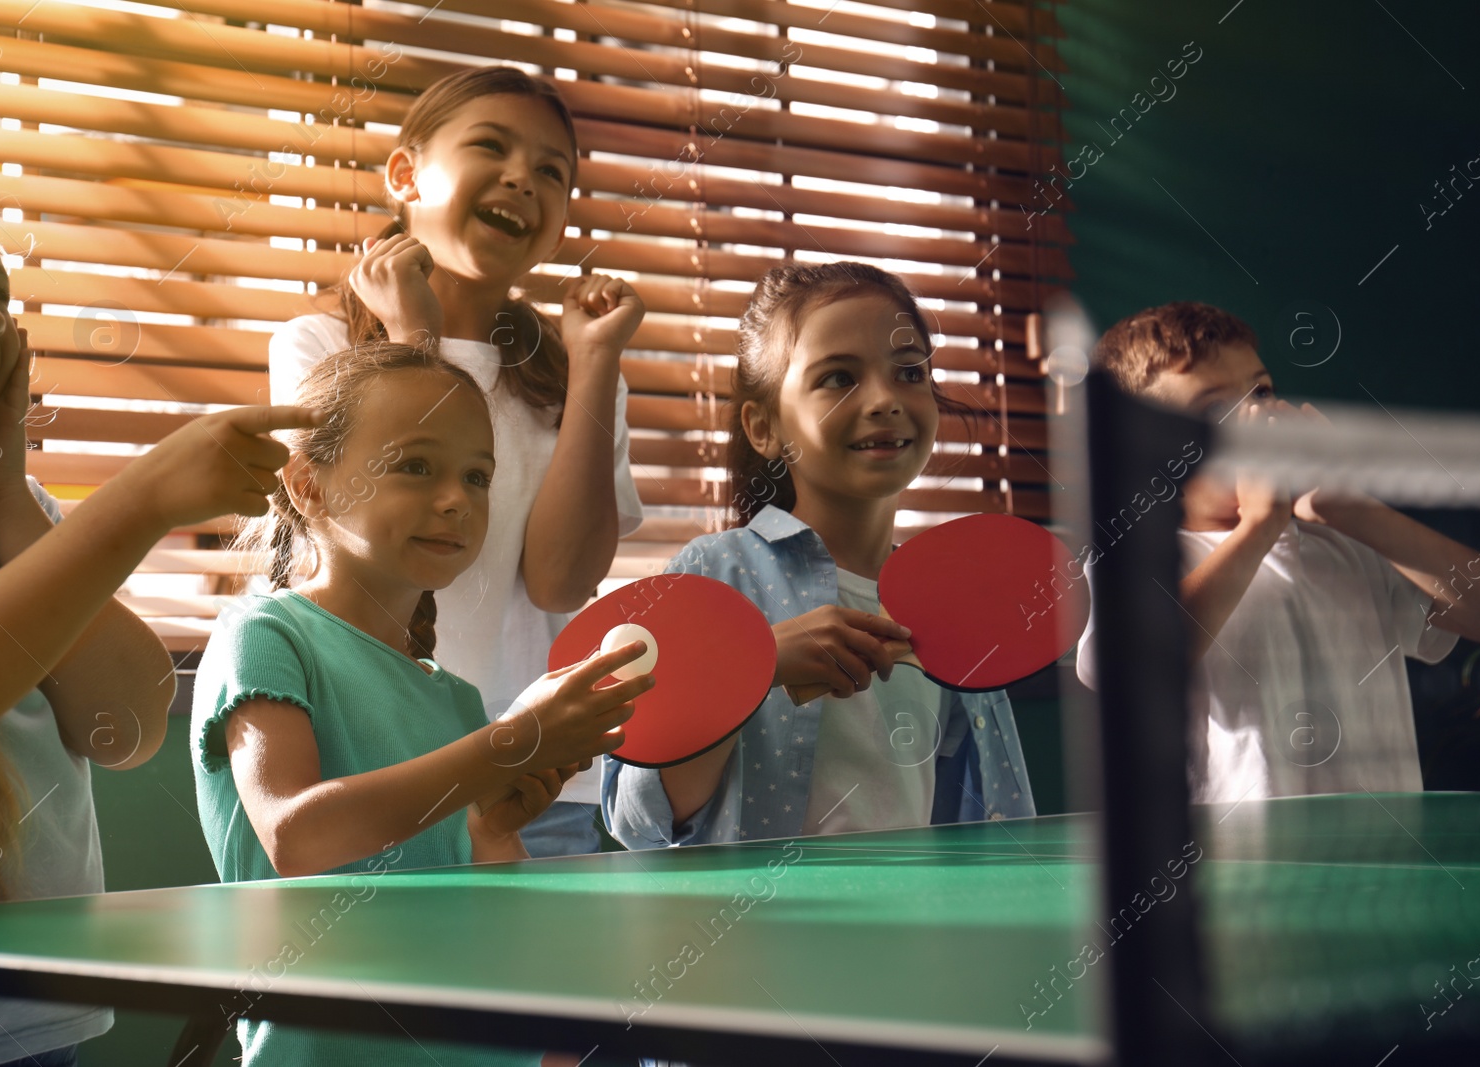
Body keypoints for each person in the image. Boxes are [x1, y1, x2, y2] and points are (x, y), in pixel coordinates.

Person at [0, 161, 318, 1067]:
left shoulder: (17, 516)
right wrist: (140, 501)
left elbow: (126, 723)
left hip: (42, 1023)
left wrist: (11, 497)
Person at [192, 341, 648, 1067]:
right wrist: (506, 744)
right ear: (307, 484)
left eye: (478, 476)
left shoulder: (456, 698)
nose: (456, 499)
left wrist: (496, 826)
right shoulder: (265, 633)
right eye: (415, 466)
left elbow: (495, 915)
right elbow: (298, 838)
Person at [270, 65, 645, 858]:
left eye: (553, 171)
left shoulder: (582, 371)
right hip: (375, 771)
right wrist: (413, 342)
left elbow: (561, 580)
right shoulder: (320, 347)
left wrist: (595, 364)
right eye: (492, 147)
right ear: (404, 174)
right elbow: (368, 543)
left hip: (542, 783)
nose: (523, 178)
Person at [604, 262, 1035, 851]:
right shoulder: (708, 578)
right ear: (763, 428)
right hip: (762, 935)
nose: (885, 399)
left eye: (908, 371)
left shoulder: (954, 603)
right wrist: (752, 669)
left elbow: (992, 810)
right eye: (838, 378)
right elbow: (637, 822)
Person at [1079, 301, 1480, 802]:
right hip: (1237, 872)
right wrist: (1258, 527)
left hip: (1384, 863)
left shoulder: (1350, 547)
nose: (1259, 416)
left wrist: (1351, 510)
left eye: (1261, 391)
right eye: (1215, 408)